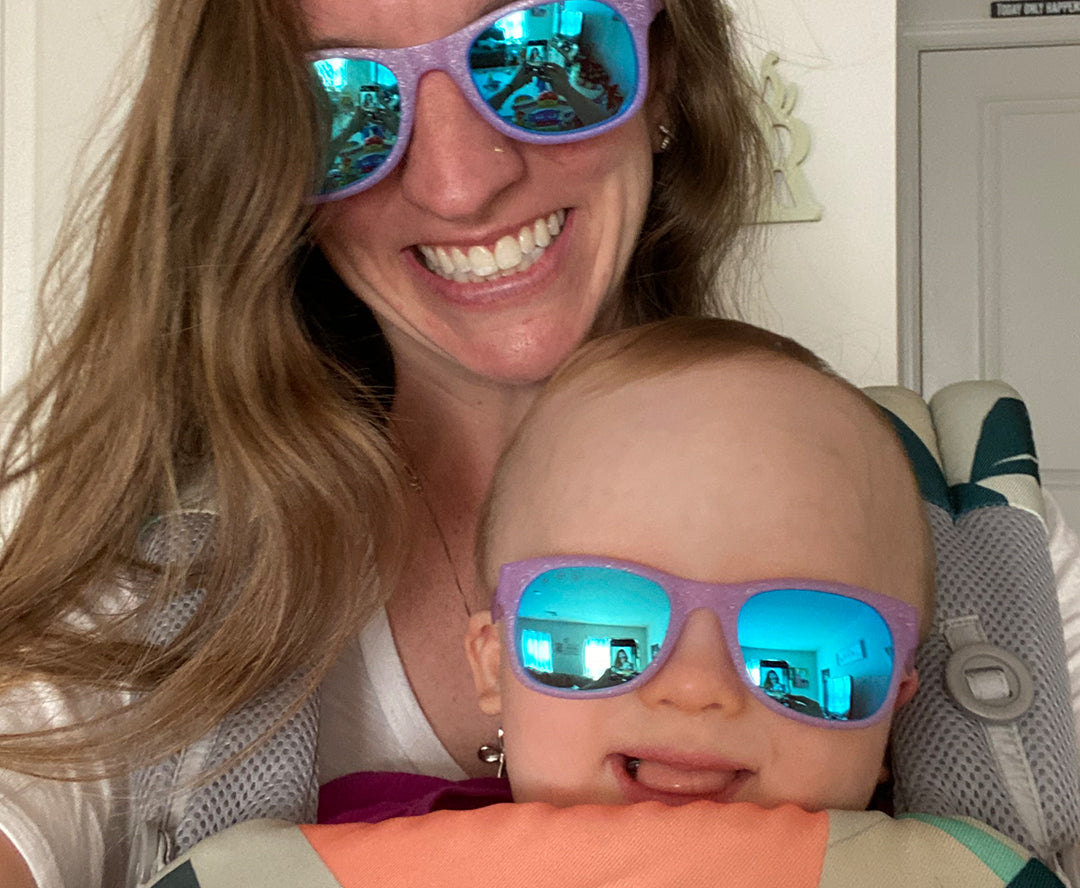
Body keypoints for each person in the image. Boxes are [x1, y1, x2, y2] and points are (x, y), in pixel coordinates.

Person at [0, 0, 769, 884]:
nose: (459, 183)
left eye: (543, 50)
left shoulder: (936, 553)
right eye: (341, 101)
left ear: (665, 63)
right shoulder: (145, 610)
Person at [145, 320, 1062, 888]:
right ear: (493, 666)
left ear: (896, 705)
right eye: (598, 626)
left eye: (807, 647)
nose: (697, 688)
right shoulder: (341, 852)